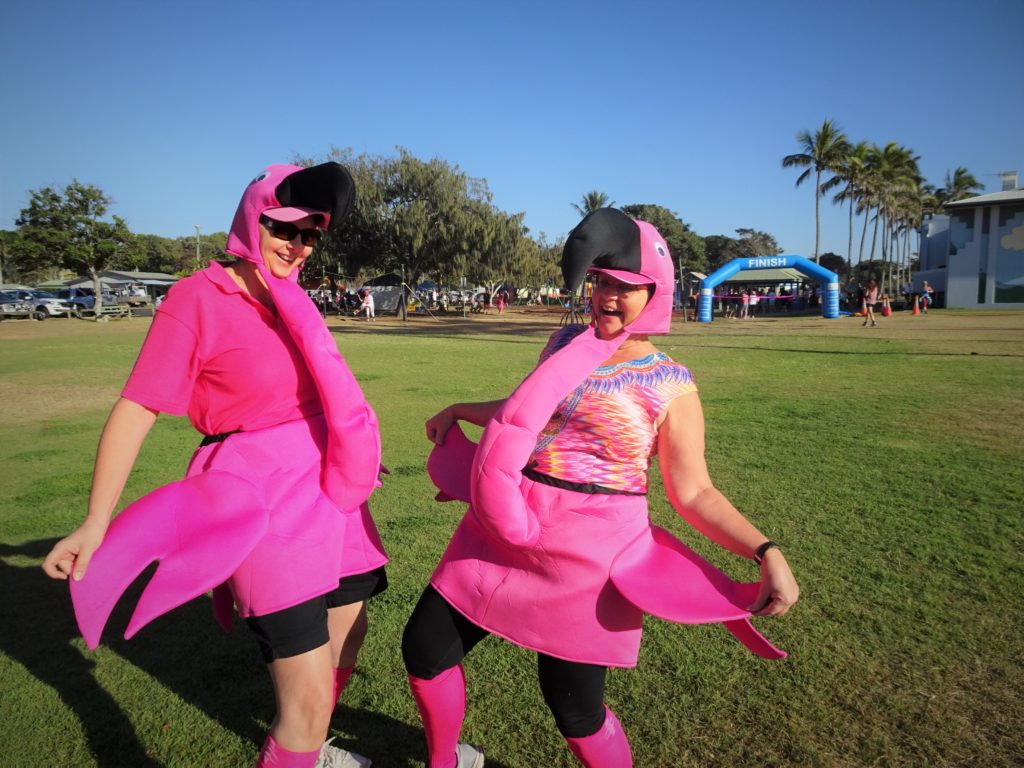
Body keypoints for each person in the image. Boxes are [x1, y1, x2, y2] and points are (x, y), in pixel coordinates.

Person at [402, 208, 799, 768]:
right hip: (502, 527)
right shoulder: (565, 340)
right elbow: (527, 412)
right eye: (601, 282)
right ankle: (445, 762)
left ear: (654, 293)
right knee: (424, 649)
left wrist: (766, 551)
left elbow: (694, 492)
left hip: (587, 557)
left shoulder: (669, 382)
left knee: (574, 708)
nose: (608, 297)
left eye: (625, 287)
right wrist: (460, 409)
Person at [42, 163, 388, 768]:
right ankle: (303, 745)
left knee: (348, 637)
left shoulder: (291, 298)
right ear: (253, 219)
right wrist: (97, 520)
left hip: (332, 496)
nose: (298, 246)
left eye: (310, 235)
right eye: (285, 229)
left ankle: (313, 753)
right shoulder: (196, 298)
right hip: (263, 501)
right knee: (305, 701)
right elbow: (138, 408)